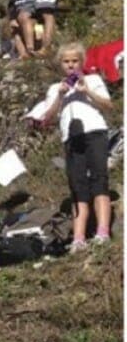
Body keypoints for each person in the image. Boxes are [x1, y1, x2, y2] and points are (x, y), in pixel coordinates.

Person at [38, 42, 114, 251]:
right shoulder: (55, 88)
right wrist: (61, 96)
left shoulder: (92, 79)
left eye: (75, 61)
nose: (71, 65)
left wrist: (87, 90)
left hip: (95, 132)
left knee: (99, 179)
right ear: (60, 64)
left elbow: (108, 105)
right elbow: (47, 119)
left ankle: (103, 231)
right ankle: (78, 238)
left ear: (82, 62)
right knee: (77, 185)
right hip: (70, 138)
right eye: (66, 61)